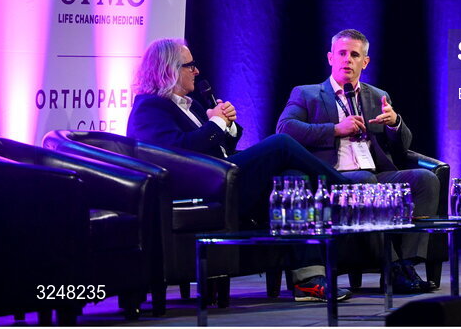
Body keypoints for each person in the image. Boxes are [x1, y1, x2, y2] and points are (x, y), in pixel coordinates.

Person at [127, 37, 352, 303]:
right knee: (280, 143)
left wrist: (228, 126)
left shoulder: (191, 105)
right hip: (204, 188)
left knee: (294, 180)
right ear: (170, 70)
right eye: (190, 66)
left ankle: (308, 281)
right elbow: (176, 154)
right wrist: (216, 124)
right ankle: (349, 190)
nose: (197, 71)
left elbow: (219, 145)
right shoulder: (149, 108)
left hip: (224, 177)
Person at [277, 29, 440, 294]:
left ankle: (406, 265)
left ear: (365, 62)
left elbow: (403, 147)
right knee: (364, 181)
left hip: (375, 175)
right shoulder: (307, 94)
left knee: (425, 180)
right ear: (330, 57)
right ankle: (393, 264)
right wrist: (334, 129)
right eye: (342, 53)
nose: (347, 60)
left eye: (355, 55)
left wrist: (395, 124)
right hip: (333, 177)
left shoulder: (377, 96)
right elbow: (284, 129)